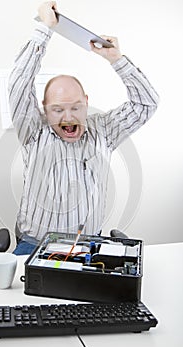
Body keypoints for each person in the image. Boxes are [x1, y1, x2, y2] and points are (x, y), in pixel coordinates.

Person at [9, 1, 159, 255]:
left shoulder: (104, 131)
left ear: (87, 102)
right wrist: (46, 28)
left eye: (76, 107)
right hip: (35, 246)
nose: (68, 117)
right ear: (45, 109)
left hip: (88, 246)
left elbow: (146, 103)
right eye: (58, 110)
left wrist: (116, 59)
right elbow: (18, 84)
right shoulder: (33, 131)